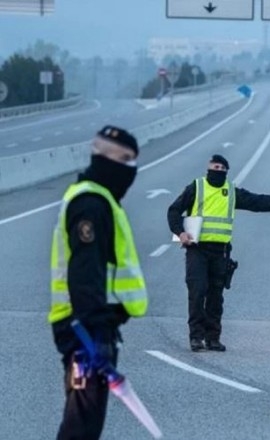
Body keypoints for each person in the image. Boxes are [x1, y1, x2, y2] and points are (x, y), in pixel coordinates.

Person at [49, 125, 149, 440]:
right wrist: (91, 339)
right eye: (128, 161)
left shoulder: (99, 198)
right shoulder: (91, 203)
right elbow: (84, 271)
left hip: (91, 327)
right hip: (84, 331)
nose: (131, 171)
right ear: (109, 159)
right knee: (81, 425)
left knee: (86, 423)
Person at [167, 154, 270, 352]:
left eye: (222, 169)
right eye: (215, 167)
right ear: (208, 169)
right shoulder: (196, 188)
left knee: (216, 296)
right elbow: (173, 211)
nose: (218, 171)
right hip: (197, 250)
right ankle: (196, 337)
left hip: (220, 252)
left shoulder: (230, 192)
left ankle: (212, 338)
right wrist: (180, 233)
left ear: (226, 172)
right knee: (198, 292)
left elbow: (259, 202)